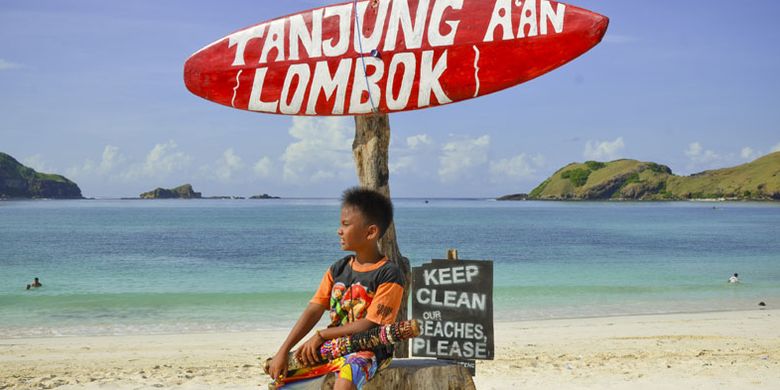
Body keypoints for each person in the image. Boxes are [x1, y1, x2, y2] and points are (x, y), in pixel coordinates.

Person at [267, 187, 404, 390]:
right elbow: (314, 309)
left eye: (346, 225)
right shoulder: (337, 269)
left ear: (371, 232)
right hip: (332, 348)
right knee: (282, 381)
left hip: (370, 350)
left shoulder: (389, 274)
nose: (339, 230)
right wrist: (283, 350)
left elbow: (370, 324)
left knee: (345, 381)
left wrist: (321, 335)